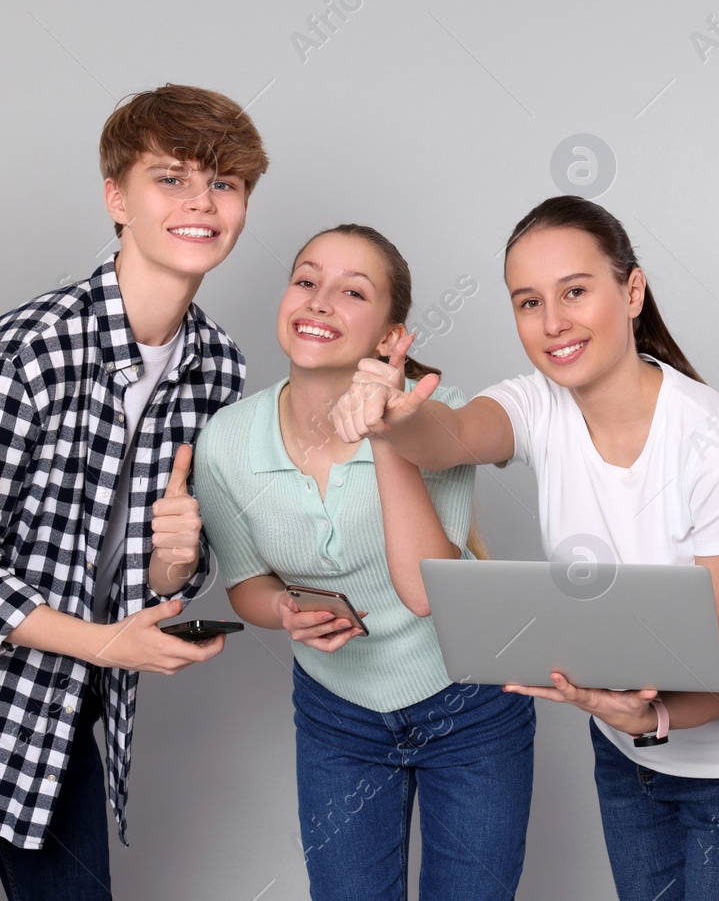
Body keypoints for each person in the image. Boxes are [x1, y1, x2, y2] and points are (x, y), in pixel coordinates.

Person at [330, 196, 719, 901]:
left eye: (574, 291)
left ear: (631, 290)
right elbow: (450, 435)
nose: (552, 322)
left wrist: (650, 713)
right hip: (627, 756)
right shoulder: (539, 403)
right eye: (528, 301)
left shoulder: (709, 436)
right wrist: (392, 416)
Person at [0, 84, 268, 900]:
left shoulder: (219, 367)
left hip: (64, 716)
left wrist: (171, 571)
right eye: (172, 179)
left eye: (223, 183)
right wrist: (104, 642)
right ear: (117, 197)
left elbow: (160, 575)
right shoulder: (30, 351)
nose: (200, 202)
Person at [193, 224, 536, 901]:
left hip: (469, 704)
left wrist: (384, 432)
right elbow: (245, 583)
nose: (319, 301)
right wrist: (285, 610)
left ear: (390, 336)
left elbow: (425, 590)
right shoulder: (226, 441)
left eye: (352, 291)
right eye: (306, 280)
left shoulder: (431, 415)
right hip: (337, 714)